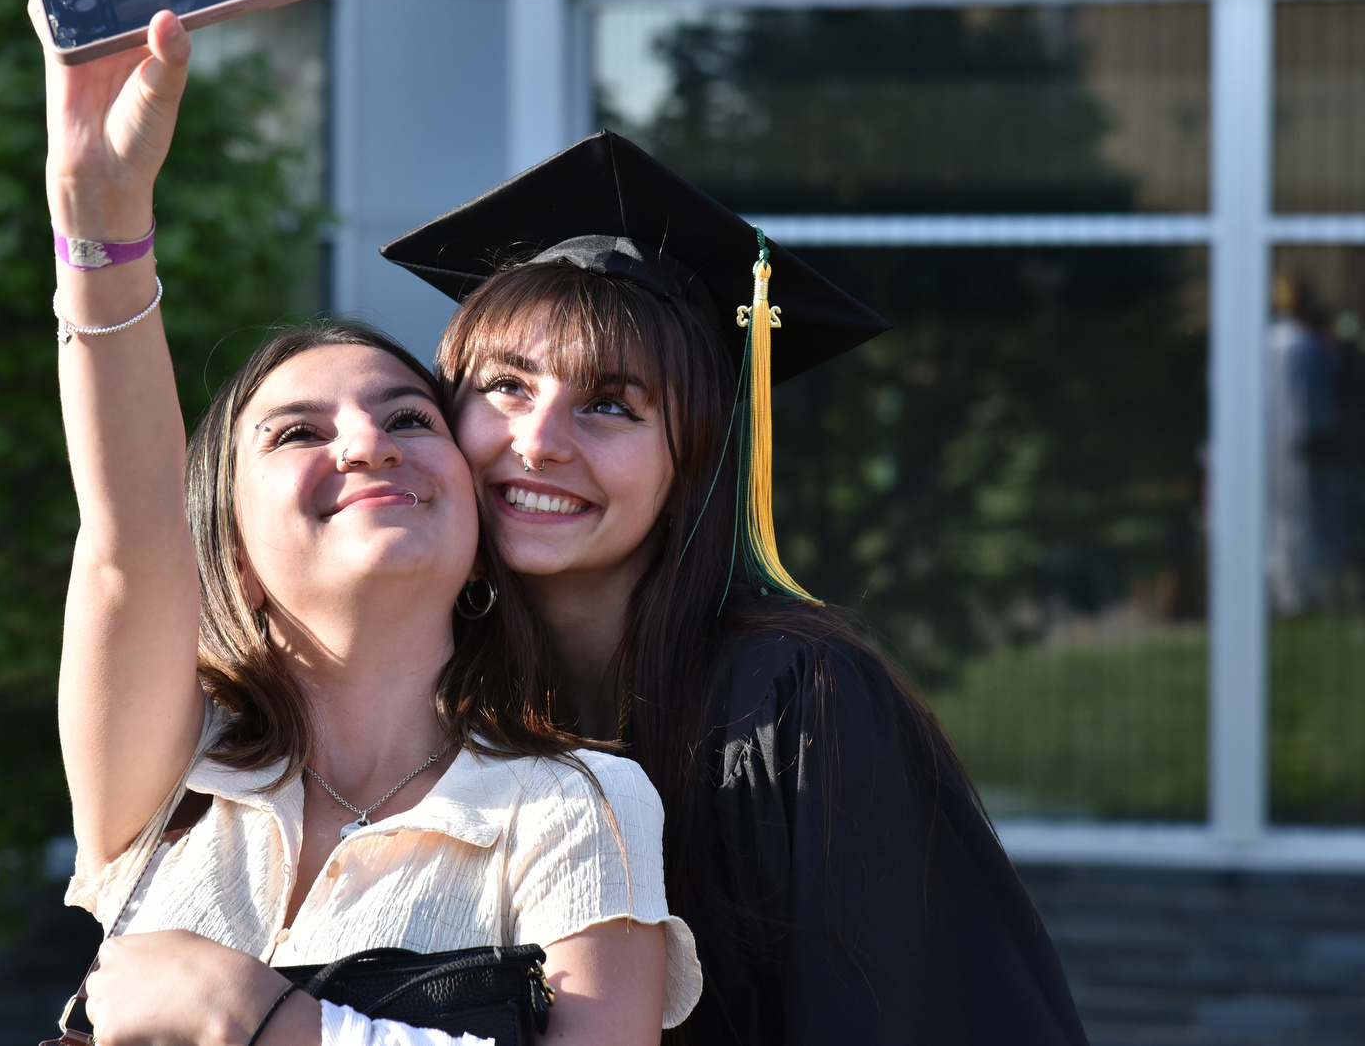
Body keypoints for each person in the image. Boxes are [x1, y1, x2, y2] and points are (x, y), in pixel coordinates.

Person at [31, 0, 700, 1046]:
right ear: (229, 546)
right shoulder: (171, 780)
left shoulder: (572, 803)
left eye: (407, 417)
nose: (367, 443)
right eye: (299, 431)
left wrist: (250, 1014)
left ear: (474, 523)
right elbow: (127, 534)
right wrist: (99, 213)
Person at [381, 131, 1090, 1046]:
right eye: (507, 387)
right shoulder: (426, 696)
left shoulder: (799, 705)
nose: (541, 439)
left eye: (609, 404)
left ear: (698, 459)